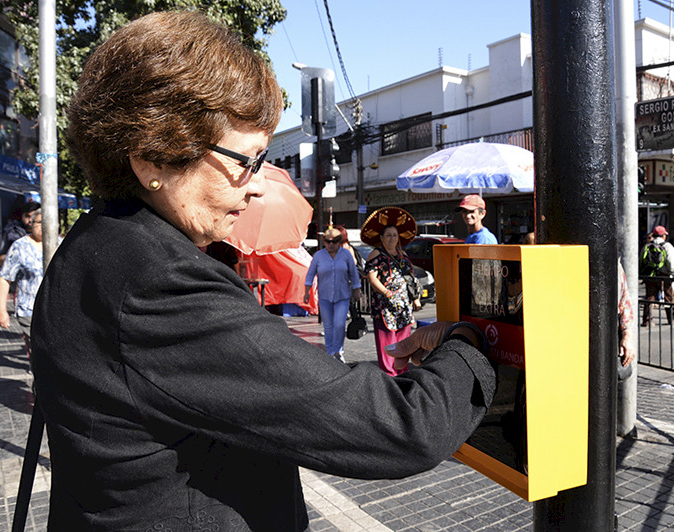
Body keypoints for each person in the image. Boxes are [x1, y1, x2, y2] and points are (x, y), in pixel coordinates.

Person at [29, 12, 496, 531]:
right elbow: (397, 428)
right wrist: (468, 346)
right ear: (151, 159)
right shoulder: (156, 282)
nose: (256, 185)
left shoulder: (96, 243)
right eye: (247, 160)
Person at [361, 207, 421, 376]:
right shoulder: (375, 254)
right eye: (388, 235)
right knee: (387, 341)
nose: (392, 238)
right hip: (384, 306)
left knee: (404, 341)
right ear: (381, 238)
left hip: (404, 305)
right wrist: (387, 293)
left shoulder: (402, 253)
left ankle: (402, 372)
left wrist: (415, 298)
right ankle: (389, 375)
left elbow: (410, 276)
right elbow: (372, 278)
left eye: (395, 235)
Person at [304, 227, 361, 362]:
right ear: (324, 242)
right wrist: (306, 291)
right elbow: (310, 274)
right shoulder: (318, 256)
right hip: (324, 295)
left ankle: (338, 351)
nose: (331, 244)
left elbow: (353, 273)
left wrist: (357, 289)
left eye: (335, 241)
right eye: (328, 241)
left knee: (339, 324)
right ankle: (330, 352)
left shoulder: (346, 255)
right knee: (328, 326)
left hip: (343, 295)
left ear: (339, 242)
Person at [0, 208, 43, 353]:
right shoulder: (20, 246)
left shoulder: (61, 244)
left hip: (56, 310)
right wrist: (1, 310)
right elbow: (5, 278)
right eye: (39, 222)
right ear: (32, 224)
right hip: (30, 309)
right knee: (39, 350)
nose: (44, 226)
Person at [640, 225, 674, 327]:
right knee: (669, 298)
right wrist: (671, 273)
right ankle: (671, 319)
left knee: (650, 298)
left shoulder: (647, 246)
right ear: (663, 235)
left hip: (650, 276)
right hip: (664, 276)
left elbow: (641, 261)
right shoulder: (667, 246)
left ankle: (647, 321)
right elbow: (671, 263)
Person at [0, 200, 41, 266]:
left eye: (34, 217)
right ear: (22, 216)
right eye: (27, 216)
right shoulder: (12, 233)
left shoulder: (48, 234)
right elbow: (0, 258)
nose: (30, 220)